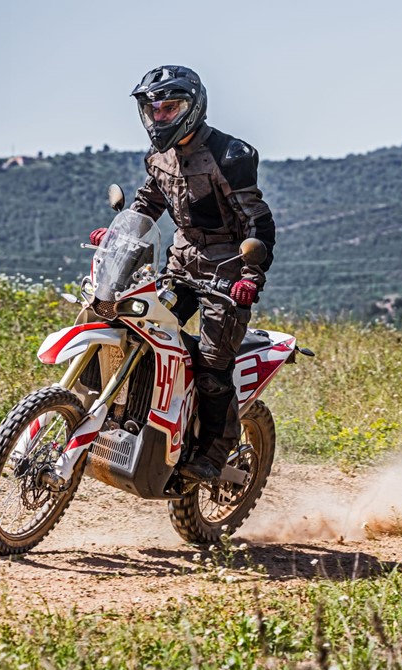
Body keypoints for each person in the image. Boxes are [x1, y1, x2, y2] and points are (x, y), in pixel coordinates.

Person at [89, 65, 276, 483]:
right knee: (136, 328)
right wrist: (118, 236)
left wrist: (251, 277)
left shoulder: (230, 156)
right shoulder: (159, 157)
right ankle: (137, 420)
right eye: (153, 110)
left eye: (169, 108)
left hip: (227, 271)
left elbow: (257, 221)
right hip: (180, 264)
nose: (160, 117)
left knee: (212, 363)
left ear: (192, 108)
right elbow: (148, 203)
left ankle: (212, 453)